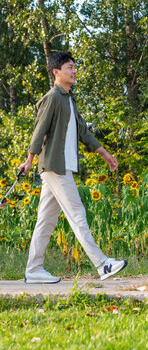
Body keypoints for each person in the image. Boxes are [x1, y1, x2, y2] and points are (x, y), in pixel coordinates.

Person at [18, 51, 126, 284]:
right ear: (56, 72)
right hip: (54, 166)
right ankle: (102, 264)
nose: (75, 71)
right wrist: (29, 160)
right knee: (77, 214)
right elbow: (39, 131)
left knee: (45, 220)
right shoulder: (53, 98)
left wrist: (106, 155)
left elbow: (84, 133)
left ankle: (33, 269)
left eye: (75, 67)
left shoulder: (68, 99)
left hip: (61, 167)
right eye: (70, 67)